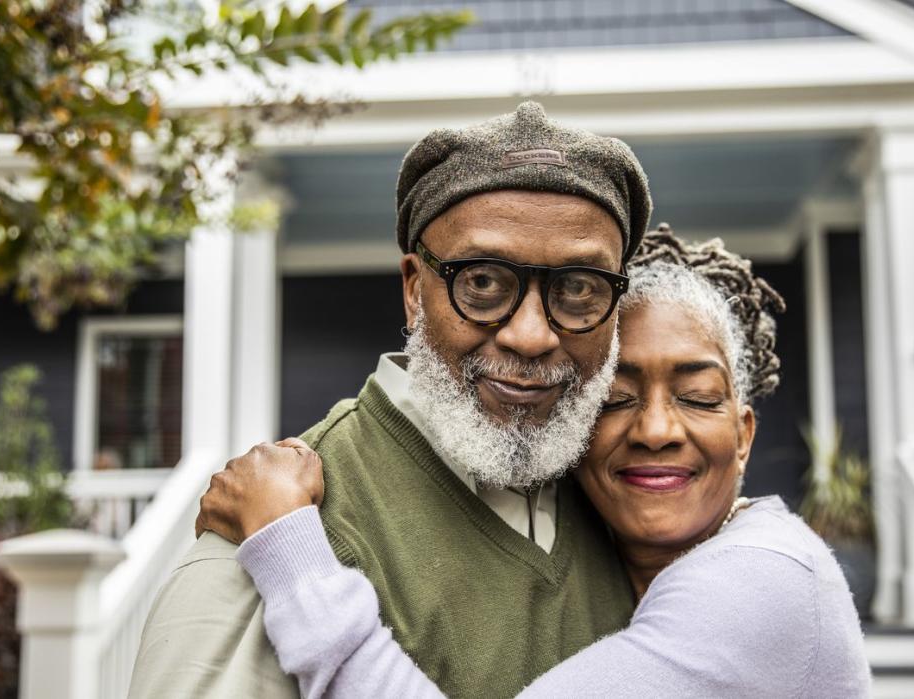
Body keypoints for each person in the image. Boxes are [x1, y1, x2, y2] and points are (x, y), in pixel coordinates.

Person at [195, 229, 872, 698]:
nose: (658, 429)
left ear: (745, 434)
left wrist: (290, 552)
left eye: (697, 397)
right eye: (616, 398)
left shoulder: (763, 580)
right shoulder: (599, 557)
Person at [128, 101, 654, 698]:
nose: (531, 336)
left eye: (580, 288)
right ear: (414, 290)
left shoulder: (622, 511)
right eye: (481, 282)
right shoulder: (281, 534)